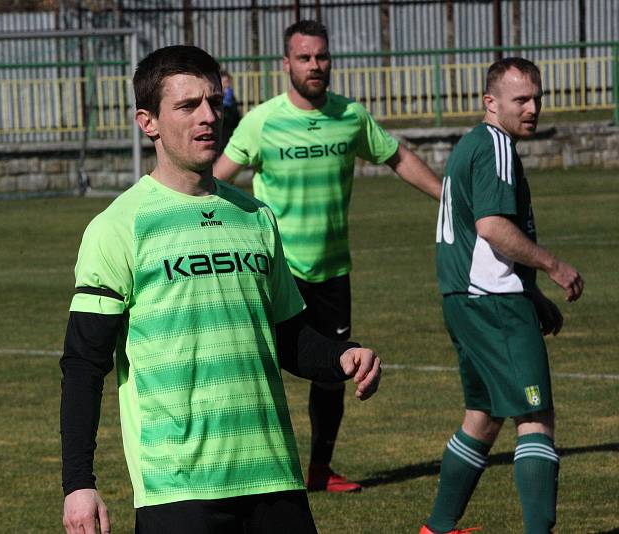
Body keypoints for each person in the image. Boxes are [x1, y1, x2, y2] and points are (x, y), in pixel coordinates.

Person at [60, 45, 382, 534]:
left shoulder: (255, 217)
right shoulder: (118, 226)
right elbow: (84, 364)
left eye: (214, 101)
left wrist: (341, 357)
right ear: (148, 122)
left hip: (273, 476)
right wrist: (78, 482)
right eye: (188, 106)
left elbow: (288, 336)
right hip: (179, 487)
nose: (209, 116)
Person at [213, 19, 440, 493]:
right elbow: (217, 179)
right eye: (304, 57)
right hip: (277, 274)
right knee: (255, 369)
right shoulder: (261, 121)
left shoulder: (351, 117)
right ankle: (252, 475)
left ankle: (320, 469)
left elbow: (396, 157)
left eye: (321, 56)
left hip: (333, 271)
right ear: (286, 64)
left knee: (335, 370)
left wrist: (446, 195)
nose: (315, 65)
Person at [419, 57, 584, 534]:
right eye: (521, 100)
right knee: (534, 416)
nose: (532, 108)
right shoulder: (494, 146)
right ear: (490, 102)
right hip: (491, 303)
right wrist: (552, 266)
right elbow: (492, 228)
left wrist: (530, 296)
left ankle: (439, 527)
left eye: (537, 98)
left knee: (484, 416)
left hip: (465, 299)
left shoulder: (473, 144)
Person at [219, 69, 241, 152]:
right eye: (225, 82)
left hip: (231, 128)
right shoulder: (216, 96)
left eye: (228, 81)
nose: (227, 84)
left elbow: (235, 113)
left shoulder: (230, 96)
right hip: (222, 129)